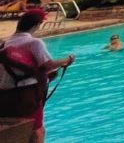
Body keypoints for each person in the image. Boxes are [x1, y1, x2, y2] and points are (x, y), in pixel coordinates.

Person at [0, 9, 75, 143]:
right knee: (37, 130)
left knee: (16, 131)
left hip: (5, 95)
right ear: (37, 24)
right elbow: (47, 65)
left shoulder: (5, 43)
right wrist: (67, 60)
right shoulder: (34, 43)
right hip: (27, 95)